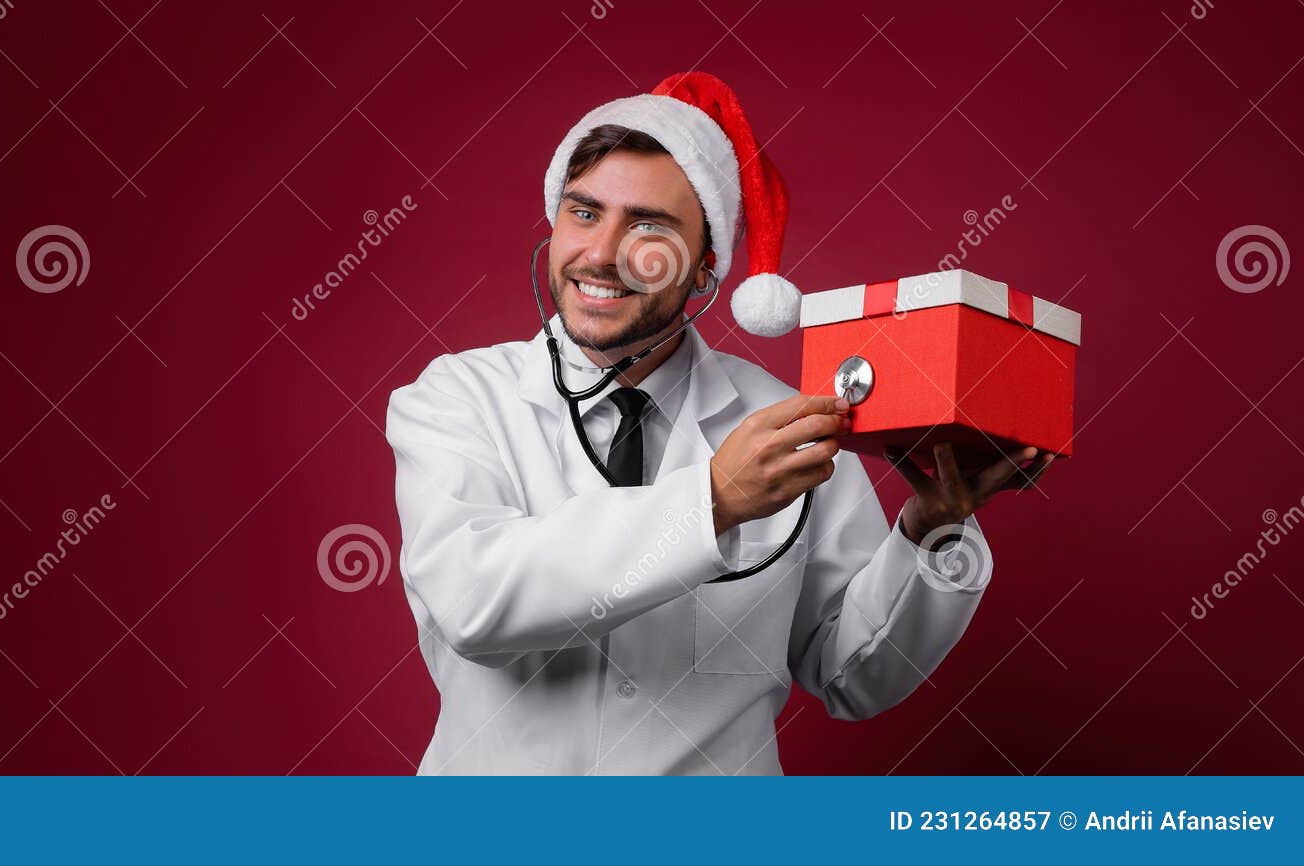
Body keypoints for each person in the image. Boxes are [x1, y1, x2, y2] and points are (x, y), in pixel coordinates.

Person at [385, 72, 1054, 775]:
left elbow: (853, 675)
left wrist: (932, 528)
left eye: (650, 226)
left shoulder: (783, 424)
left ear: (706, 267)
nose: (602, 253)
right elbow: (474, 600)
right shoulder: (456, 398)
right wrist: (715, 500)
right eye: (584, 213)